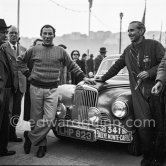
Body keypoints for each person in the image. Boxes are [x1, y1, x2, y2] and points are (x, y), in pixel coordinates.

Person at [90, 21, 165, 166]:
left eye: (132, 30)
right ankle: (148, 156)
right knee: (143, 126)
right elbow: (116, 67)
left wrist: (150, 72)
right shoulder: (128, 50)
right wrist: (100, 79)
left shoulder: (154, 45)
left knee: (160, 126)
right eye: (128, 31)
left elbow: (164, 63)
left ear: (142, 30)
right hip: (138, 95)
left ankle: (160, 157)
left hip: (157, 92)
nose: (129, 33)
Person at [17, 24, 88, 158]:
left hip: (52, 89)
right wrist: (28, 75)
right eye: (45, 33)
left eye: (50, 34)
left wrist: (84, 77)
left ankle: (29, 136)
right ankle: (42, 145)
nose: (47, 36)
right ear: (41, 35)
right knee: (36, 119)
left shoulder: (60, 51)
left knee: (49, 119)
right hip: (36, 88)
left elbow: (72, 65)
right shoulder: (34, 50)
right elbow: (19, 61)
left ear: (54, 35)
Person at [1, 26, 26, 142]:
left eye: (16, 33)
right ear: (8, 35)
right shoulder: (3, 48)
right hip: (9, 85)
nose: (14, 35)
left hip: (20, 85)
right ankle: (5, 137)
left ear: (18, 35)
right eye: (11, 33)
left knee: (17, 111)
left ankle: (12, 134)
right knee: (8, 112)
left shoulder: (23, 49)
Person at [0, 19, 16, 156]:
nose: (5, 35)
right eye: (1, 32)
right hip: (1, 90)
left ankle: (2, 149)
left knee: (4, 122)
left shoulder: (3, 48)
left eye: (6, 32)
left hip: (6, 90)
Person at [24, 38, 43, 122]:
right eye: (38, 45)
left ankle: (39, 131)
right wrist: (29, 76)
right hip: (31, 85)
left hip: (43, 86)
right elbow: (22, 65)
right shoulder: (29, 56)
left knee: (41, 110)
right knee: (32, 109)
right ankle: (34, 130)